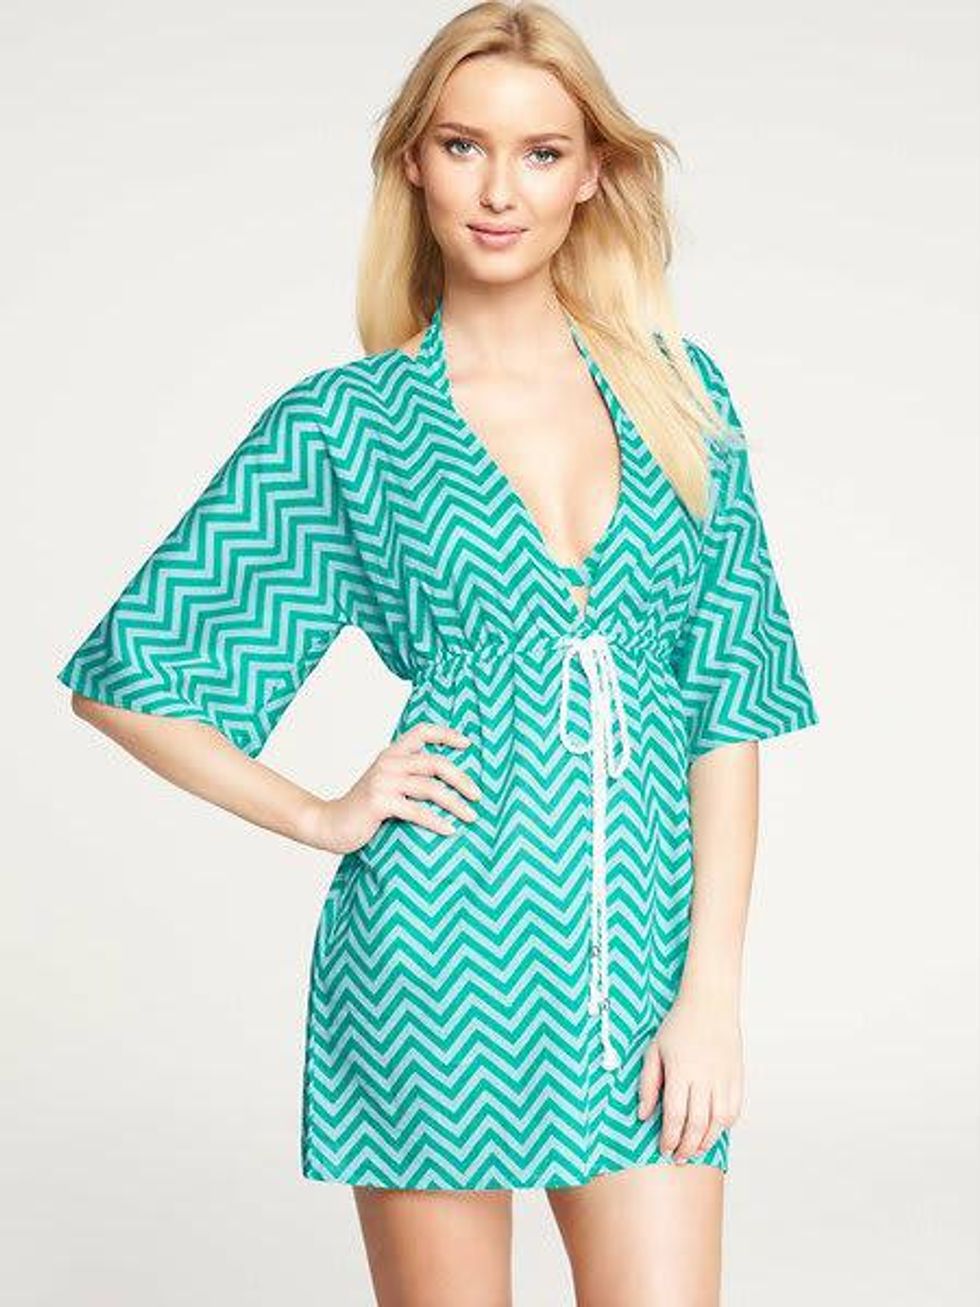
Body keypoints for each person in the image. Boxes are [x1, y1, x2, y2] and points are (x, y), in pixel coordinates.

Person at [56, 2, 819, 1303]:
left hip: (644, 972)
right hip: (432, 963)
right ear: (413, 163)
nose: (499, 190)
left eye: (540, 152)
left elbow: (729, 705)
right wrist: (320, 812)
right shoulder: (349, 425)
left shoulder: (682, 395)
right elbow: (130, 679)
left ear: (592, 173)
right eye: (464, 146)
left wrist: (713, 995)